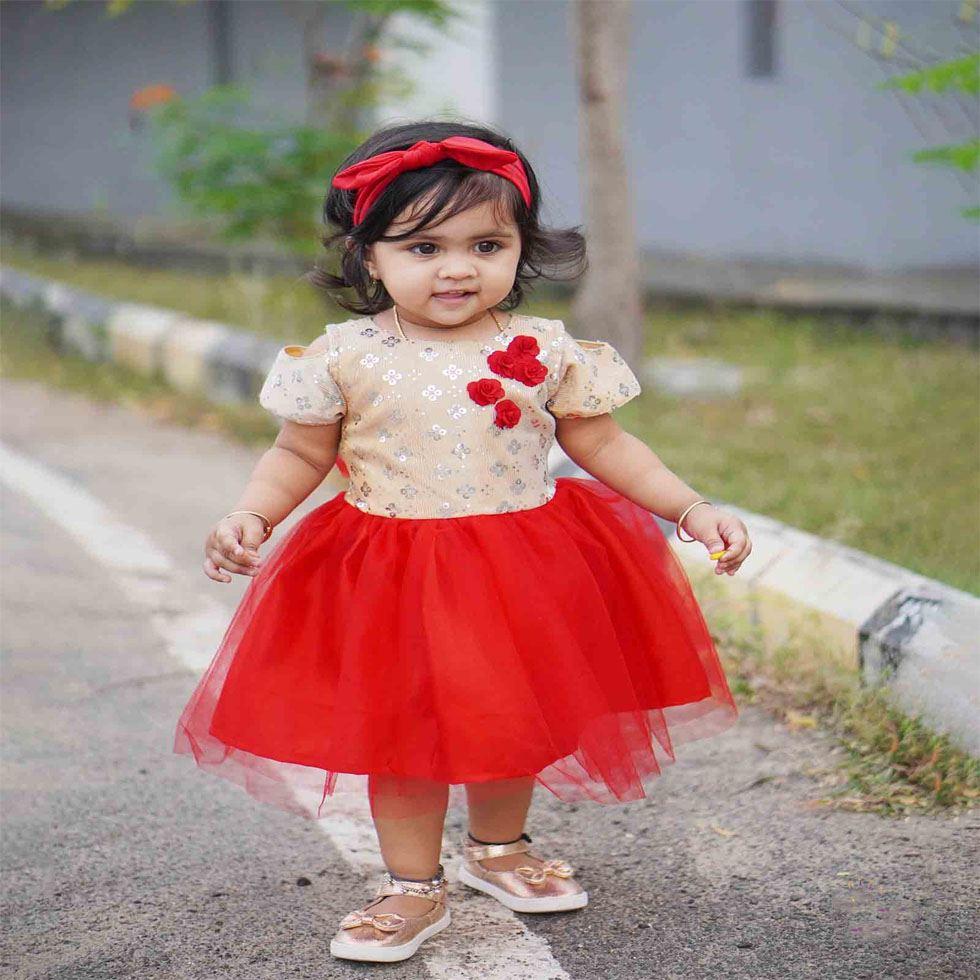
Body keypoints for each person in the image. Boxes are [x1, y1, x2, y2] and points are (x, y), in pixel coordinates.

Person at [173, 120, 749, 964]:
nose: (457, 268)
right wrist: (252, 516)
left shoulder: (542, 348)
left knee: (507, 714)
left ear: (522, 248)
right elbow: (299, 454)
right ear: (370, 258)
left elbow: (605, 444)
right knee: (402, 732)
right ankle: (411, 886)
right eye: (423, 247)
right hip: (391, 571)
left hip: (520, 566)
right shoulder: (344, 356)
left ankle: (498, 847)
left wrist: (691, 508)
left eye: (487, 245)